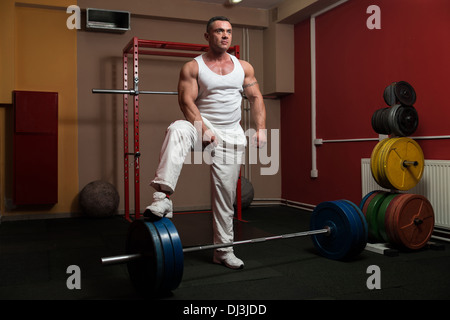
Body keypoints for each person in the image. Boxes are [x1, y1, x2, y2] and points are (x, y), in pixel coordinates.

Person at [144, 16, 267, 269]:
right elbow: (185, 102)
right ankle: (163, 197)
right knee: (177, 128)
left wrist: (261, 130)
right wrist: (202, 128)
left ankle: (223, 251)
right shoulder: (193, 67)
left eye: (229, 31)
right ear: (207, 36)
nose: (225, 35)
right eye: (219, 31)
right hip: (200, 127)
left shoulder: (244, 67)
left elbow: (255, 98)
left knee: (225, 197)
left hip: (231, 135)